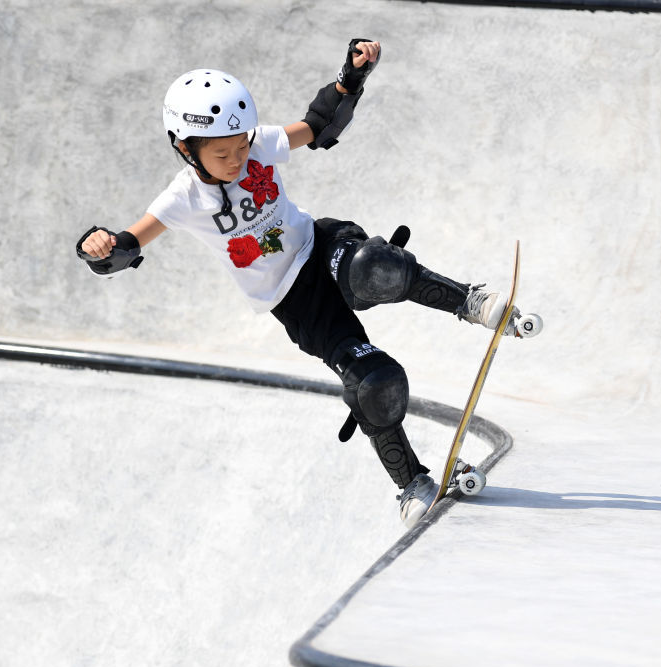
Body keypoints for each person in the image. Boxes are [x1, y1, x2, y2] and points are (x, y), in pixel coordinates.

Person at [76, 39, 534, 528]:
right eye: (222, 153)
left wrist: (350, 79)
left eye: (242, 147)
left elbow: (318, 126)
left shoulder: (259, 145)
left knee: (374, 267)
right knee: (376, 383)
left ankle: (473, 303)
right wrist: (97, 245)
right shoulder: (181, 198)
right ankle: (411, 484)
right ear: (186, 149)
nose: (237, 160)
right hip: (295, 303)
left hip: (320, 246)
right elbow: (128, 244)